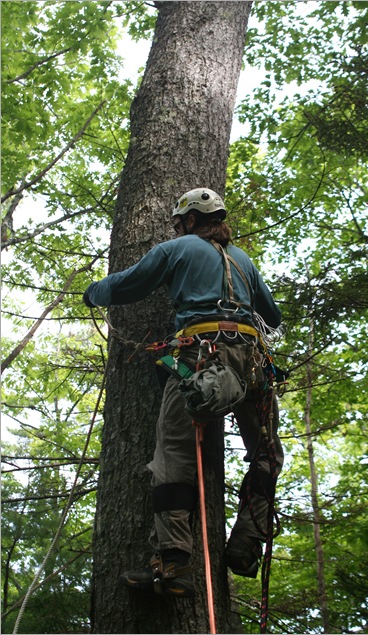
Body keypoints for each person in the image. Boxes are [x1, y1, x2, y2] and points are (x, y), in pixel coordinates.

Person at [83, 188, 284, 597]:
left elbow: (129, 285)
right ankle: (246, 542)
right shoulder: (244, 260)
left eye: (179, 222)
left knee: (173, 452)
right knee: (266, 452)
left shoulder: (177, 248)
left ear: (191, 220)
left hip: (202, 357)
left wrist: (93, 292)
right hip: (253, 363)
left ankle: (173, 560)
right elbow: (273, 316)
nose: (176, 229)